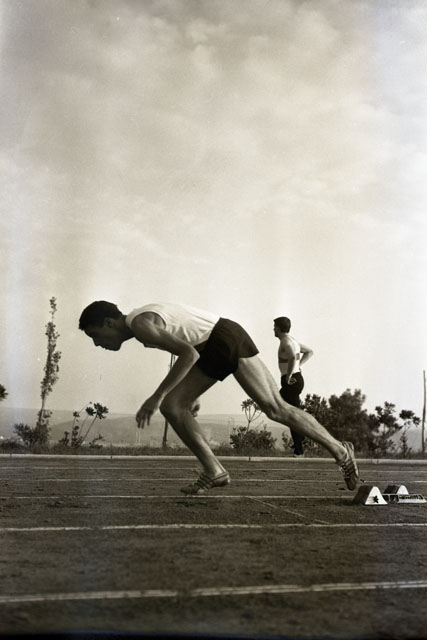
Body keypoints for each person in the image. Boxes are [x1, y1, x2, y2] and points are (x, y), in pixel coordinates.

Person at [78, 301, 359, 494]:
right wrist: (191, 390)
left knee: (275, 408)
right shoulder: (140, 322)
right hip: (212, 345)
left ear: (109, 322)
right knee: (175, 406)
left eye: (94, 335)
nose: (96, 343)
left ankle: (341, 451)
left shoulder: (141, 324)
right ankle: (214, 470)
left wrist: (156, 395)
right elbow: (187, 345)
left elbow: (188, 353)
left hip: (223, 338)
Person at [274, 317, 313, 456]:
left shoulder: (285, 342)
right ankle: (300, 437)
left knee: (287, 413)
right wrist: (298, 366)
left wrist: (289, 375)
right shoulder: (293, 341)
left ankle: (299, 447)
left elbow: (291, 357)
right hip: (296, 379)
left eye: (275, 326)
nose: (273, 329)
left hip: (291, 381)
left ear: (279, 328)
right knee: (290, 412)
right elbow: (309, 351)